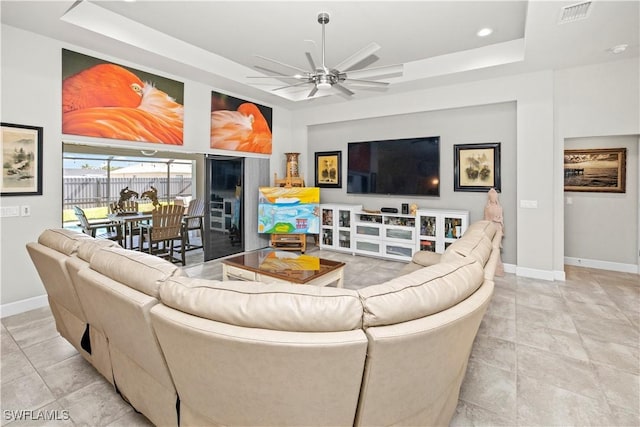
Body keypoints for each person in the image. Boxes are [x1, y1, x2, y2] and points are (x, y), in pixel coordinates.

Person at [484, 188, 504, 276]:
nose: (493, 198)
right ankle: (492, 268)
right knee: (491, 247)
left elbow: (501, 218)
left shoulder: (499, 207)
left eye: (495, 197)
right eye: (492, 197)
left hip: (498, 228)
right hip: (491, 228)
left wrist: (499, 220)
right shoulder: (487, 208)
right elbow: (486, 220)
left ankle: (498, 268)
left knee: (497, 247)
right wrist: (493, 219)